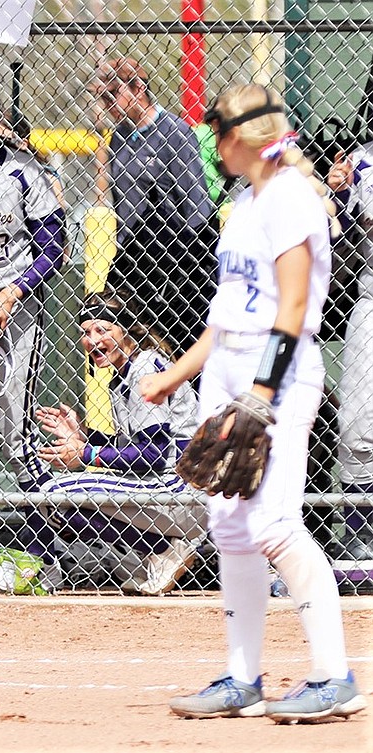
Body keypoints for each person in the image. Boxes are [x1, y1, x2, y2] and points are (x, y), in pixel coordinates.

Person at [141, 83, 366, 721]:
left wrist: (262, 393)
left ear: (244, 137)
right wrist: (176, 374)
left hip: (280, 375)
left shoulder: (292, 198)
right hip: (230, 369)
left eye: (220, 131)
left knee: (273, 525)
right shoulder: (245, 201)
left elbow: (292, 308)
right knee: (231, 528)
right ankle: (242, 679)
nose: (215, 142)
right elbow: (224, 314)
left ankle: (334, 674)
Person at [0, 289, 202, 596]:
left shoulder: (143, 369)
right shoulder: (125, 373)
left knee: (55, 493)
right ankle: (155, 552)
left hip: (180, 489)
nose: (92, 339)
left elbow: (156, 453)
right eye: (85, 332)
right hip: (167, 487)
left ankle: (162, 550)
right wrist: (85, 436)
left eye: (103, 329)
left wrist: (86, 453)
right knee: (56, 496)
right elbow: (137, 444)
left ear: (126, 331)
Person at [0, 74, 65, 497]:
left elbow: (53, 245)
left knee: (15, 426)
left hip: (14, 303)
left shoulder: (21, 172)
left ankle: (46, 540)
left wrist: (14, 292)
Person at [90, 57, 215, 354]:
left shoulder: (174, 132)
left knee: (178, 341)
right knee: (128, 342)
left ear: (139, 88)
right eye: (101, 97)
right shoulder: (119, 137)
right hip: (133, 255)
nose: (107, 104)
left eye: (112, 95)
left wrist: (193, 262)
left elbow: (196, 204)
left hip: (176, 257)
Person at [328, 142, 373, 591]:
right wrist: (338, 194)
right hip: (372, 297)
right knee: (356, 424)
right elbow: (336, 235)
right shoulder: (362, 160)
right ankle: (361, 535)